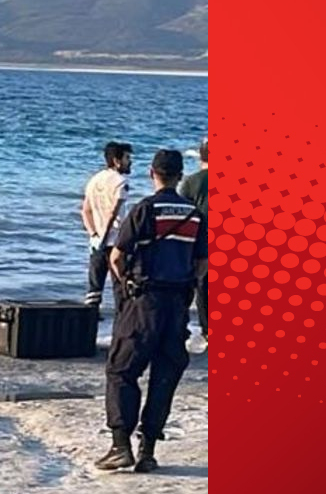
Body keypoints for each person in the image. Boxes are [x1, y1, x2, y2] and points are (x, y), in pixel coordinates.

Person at [96, 149, 207, 473]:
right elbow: (203, 263)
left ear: (152, 173)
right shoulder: (196, 215)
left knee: (121, 370)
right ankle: (147, 450)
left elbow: (116, 257)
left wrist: (128, 285)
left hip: (144, 302)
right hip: (177, 305)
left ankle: (120, 445)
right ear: (180, 175)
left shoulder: (145, 209)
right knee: (165, 375)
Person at [81, 142, 133, 308]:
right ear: (117, 161)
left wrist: (93, 234)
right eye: (127, 158)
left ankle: (89, 327)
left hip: (96, 242)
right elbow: (114, 212)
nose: (129, 162)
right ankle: (121, 325)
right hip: (115, 241)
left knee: (94, 290)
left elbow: (85, 211)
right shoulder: (120, 182)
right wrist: (105, 236)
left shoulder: (94, 179)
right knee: (120, 287)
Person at [179, 137, 209, 342]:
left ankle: (207, 330)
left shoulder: (191, 182)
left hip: (199, 241)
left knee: (201, 286)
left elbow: (183, 214)